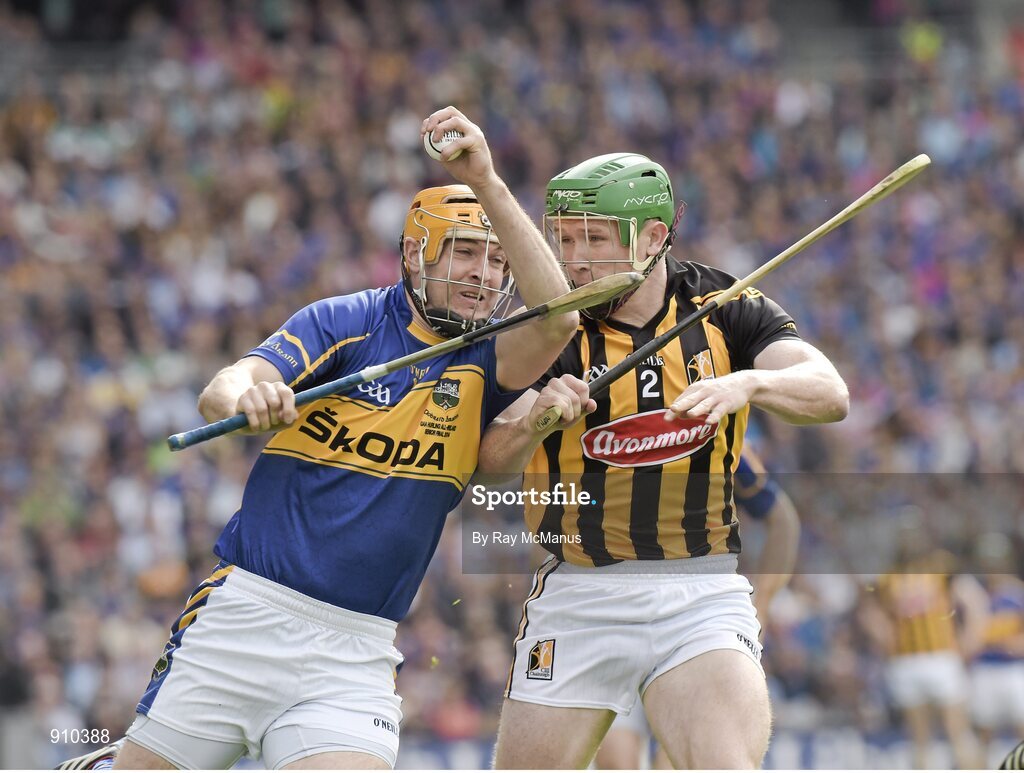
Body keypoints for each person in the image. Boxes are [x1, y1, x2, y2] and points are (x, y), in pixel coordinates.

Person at [61, 107, 578, 771]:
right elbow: (227, 383)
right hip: (246, 618)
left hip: (356, 651)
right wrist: (249, 395)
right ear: (418, 256)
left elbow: (558, 319)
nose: (486, 274)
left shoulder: (489, 361)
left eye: (498, 259)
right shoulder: (350, 322)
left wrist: (487, 181)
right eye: (468, 252)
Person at [477, 152, 849, 769]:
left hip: (698, 590)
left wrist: (749, 385)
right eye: (563, 238)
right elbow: (487, 465)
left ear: (653, 237)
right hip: (578, 593)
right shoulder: (547, 325)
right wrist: (535, 420)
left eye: (594, 239)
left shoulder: (724, 305)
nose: (573, 258)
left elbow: (829, 393)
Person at [594, 450, 801, 769]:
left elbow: (783, 519)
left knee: (684, 757)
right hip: (611, 619)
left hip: (693, 618)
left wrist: (762, 603)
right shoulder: (598, 428)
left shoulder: (711, 431)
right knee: (618, 763)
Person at [858, 514, 985, 769]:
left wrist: (972, 637)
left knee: (956, 730)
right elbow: (869, 611)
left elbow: (972, 599)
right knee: (919, 737)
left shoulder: (941, 566)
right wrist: (884, 635)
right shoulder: (888, 576)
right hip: (906, 659)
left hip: (941, 655)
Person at [967, 533, 1024, 766]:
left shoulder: (1019, 593)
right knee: (983, 732)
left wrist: (1010, 643)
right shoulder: (975, 595)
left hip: (1014, 669)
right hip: (985, 668)